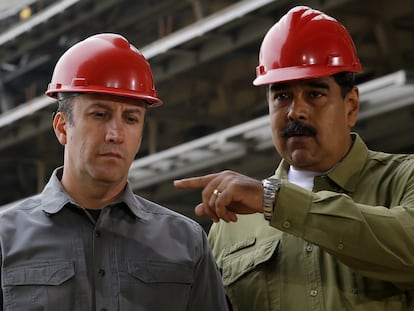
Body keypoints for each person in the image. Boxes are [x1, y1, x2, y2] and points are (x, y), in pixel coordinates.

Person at [174, 6, 414, 311]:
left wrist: (273, 200)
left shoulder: (404, 180)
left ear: (350, 106)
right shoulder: (233, 221)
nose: (295, 111)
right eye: (281, 96)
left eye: (315, 94)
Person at [0, 33, 228, 311]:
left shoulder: (187, 243)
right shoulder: (5, 239)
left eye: (131, 119)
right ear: (62, 127)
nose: (116, 134)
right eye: (99, 114)